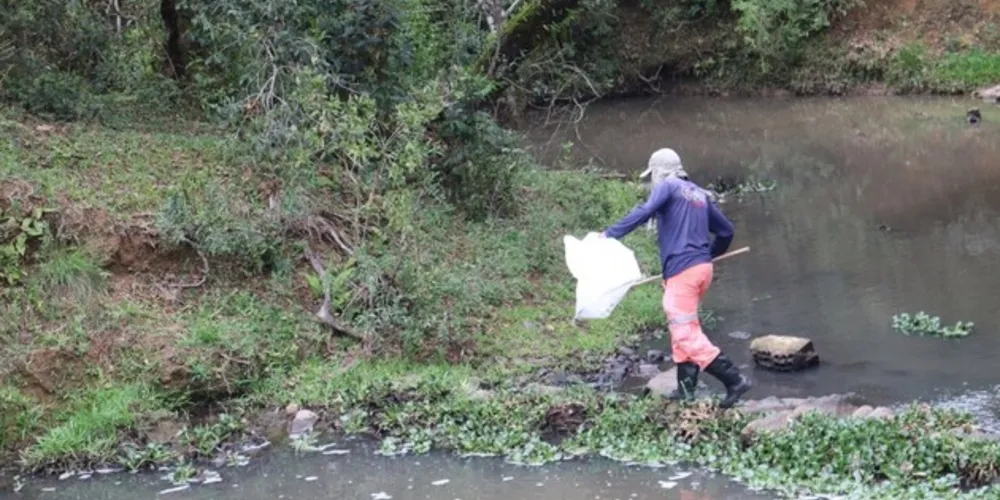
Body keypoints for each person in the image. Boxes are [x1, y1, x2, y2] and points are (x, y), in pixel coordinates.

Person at [600, 148, 752, 408]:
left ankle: (734, 380)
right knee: (683, 327)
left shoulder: (668, 186)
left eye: (652, 175)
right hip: (700, 270)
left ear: (659, 171)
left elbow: (644, 211)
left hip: (684, 271)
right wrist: (706, 256)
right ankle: (685, 391)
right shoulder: (700, 194)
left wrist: (609, 235)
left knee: (684, 332)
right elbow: (726, 231)